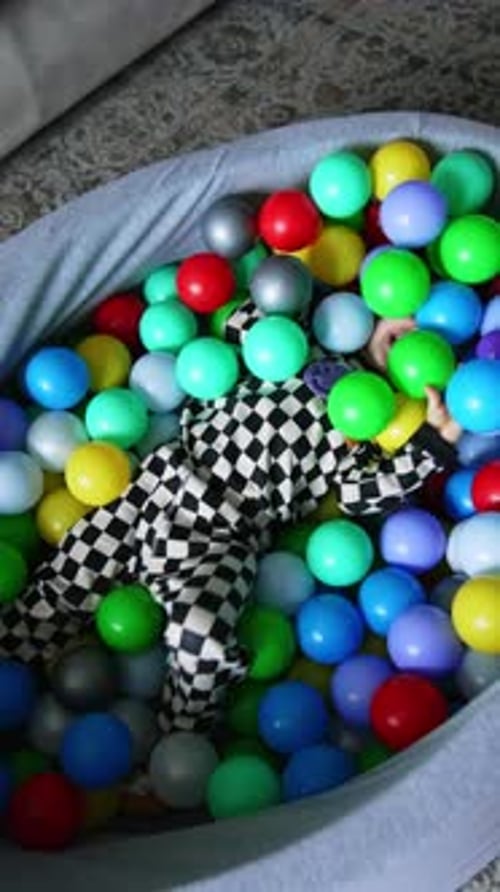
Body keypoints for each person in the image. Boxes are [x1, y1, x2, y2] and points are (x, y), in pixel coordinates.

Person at [0, 298, 461, 734]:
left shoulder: (359, 443)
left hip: (223, 533)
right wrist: (356, 338)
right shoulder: (304, 347)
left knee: (204, 636)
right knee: (71, 572)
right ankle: (12, 643)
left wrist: (432, 443)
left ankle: (179, 737)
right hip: (164, 480)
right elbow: (242, 321)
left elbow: (361, 494)